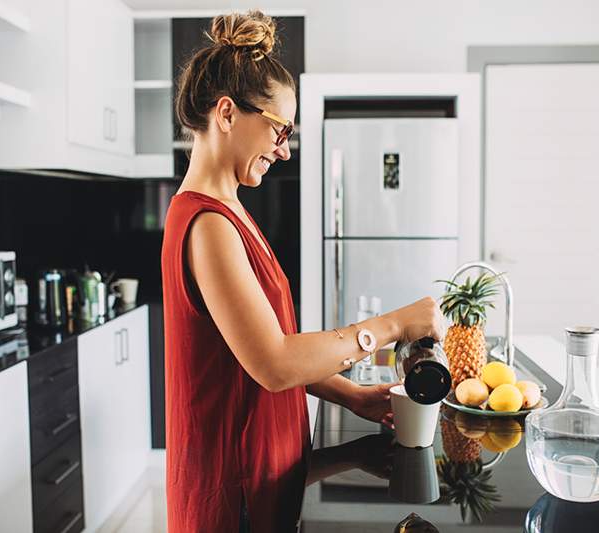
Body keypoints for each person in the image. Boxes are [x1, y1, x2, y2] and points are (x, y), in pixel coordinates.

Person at [161, 10, 446, 532]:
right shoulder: (208, 224)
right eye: (279, 129)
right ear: (227, 114)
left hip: (265, 476)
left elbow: (268, 345)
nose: (284, 148)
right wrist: (392, 325)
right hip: (232, 500)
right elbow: (273, 363)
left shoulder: (232, 211)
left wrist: (351, 397)